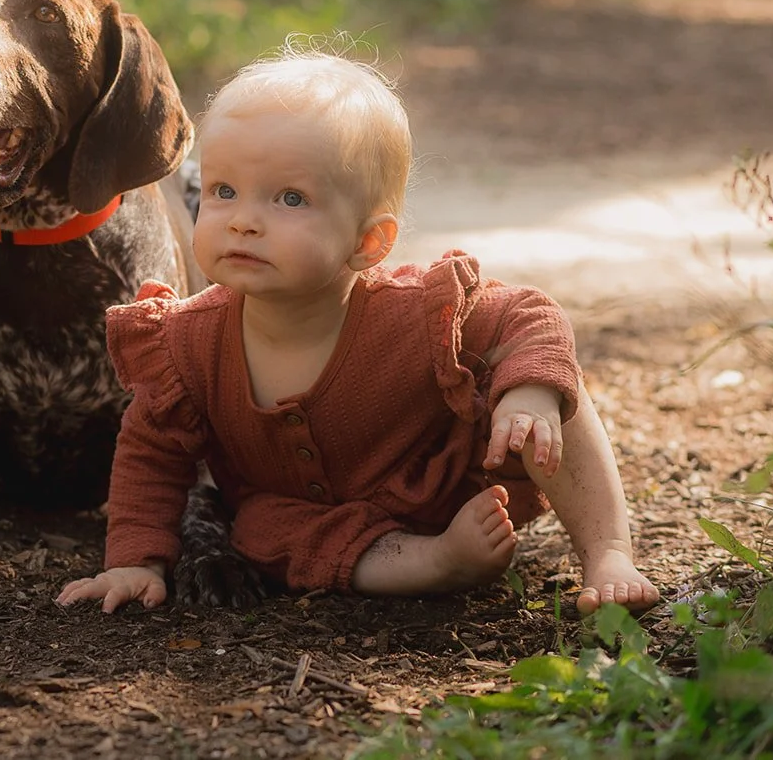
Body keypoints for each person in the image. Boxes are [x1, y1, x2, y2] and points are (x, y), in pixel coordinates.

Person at [57, 46, 659, 615]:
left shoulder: (415, 308)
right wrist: (135, 561)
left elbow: (530, 314)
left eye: (289, 198)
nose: (243, 221)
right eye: (223, 191)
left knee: (552, 390)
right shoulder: (187, 341)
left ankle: (608, 555)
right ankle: (435, 562)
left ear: (369, 242)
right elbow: (150, 453)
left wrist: (528, 391)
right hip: (324, 523)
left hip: (458, 479)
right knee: (262, 530)